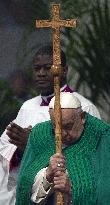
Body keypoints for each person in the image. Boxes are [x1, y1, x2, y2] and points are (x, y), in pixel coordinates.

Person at [0, 45, 100, 205]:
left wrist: (33, 146)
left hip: (64, 194)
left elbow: (90, 156)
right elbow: (4, 150)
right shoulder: (27, 106)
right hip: (30, 193)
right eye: (37, 68)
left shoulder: (83, 107)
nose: (41, 73)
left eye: (48, 68)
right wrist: (19, 150)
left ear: (65, 70)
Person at [15, 92, 110, 205]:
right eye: (55, 127)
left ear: (82, 117)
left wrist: (72, 190)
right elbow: (24, 186)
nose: (61, 134)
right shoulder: (40, 135)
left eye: (68, 126)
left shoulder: (104, 137)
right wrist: (47, 176)